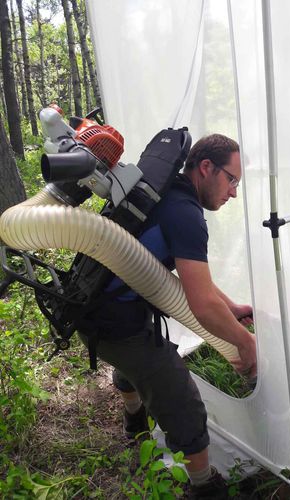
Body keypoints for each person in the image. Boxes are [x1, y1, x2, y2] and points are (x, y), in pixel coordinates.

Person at [79, 133, 257, 499]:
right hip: (114, 324)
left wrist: (233, 308)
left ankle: (134, 423)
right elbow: (202, 304)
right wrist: (246, 344)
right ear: (206, 168)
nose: (234, 192)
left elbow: (189, 278)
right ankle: (205, 486)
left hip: (93, 306)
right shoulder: (185, 214)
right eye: (232, 179)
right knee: (183, 402)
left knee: (135, 361)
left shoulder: (165, 192)